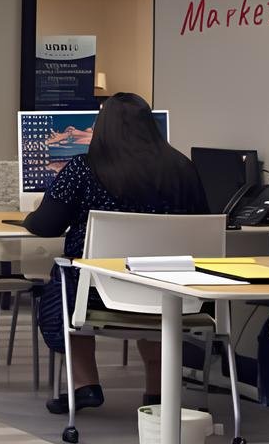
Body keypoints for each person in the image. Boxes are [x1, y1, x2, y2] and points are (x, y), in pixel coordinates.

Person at [25, 92, 207, 414]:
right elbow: (202, 225)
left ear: (102, 127)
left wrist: (30, 214)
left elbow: (45, 225)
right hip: (170, 289)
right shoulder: (184, 170)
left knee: (67, 282)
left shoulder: (83, 168)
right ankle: (157, 394)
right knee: (155, 300)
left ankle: (86, 386)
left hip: (97, 291)